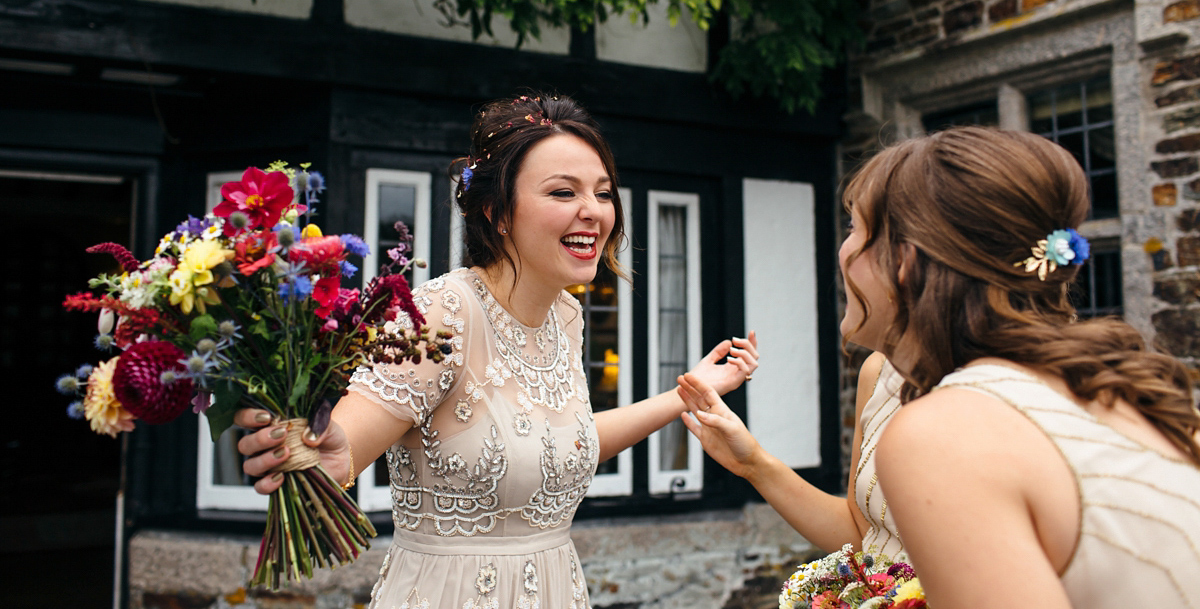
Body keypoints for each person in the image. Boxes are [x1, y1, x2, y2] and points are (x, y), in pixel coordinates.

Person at [234, 93, 758, 608]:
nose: (593, 212)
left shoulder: (566, 317)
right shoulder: (440, 312)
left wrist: (687, 393)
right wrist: (317, 456)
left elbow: (560, 444)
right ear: (496, 212)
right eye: (562, 193)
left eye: (603, 193)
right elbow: (346, 448)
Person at [830, 126, 1200, 608]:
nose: (843, 250)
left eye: (855, 228)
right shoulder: (1111, 392)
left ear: (905, 259)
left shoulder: (947, 430)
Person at [677, 269, 906, 556]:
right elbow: (862, 537)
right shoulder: (876, 373)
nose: (842, 259)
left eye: (855, 230)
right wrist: (753, 463)